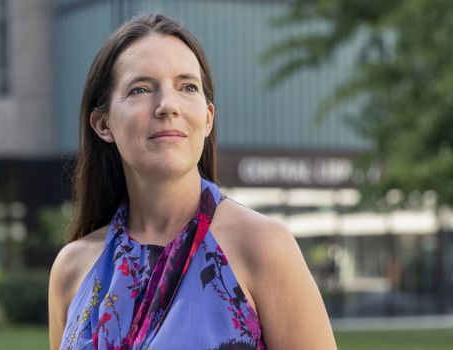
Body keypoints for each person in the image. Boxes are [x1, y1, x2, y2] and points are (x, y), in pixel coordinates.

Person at [48, 13, 337, 350]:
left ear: (208, 117)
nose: (167, 106)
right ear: (103, 124)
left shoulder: (263, 247)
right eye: (141, 88)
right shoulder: (72, 269)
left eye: (187, 87)